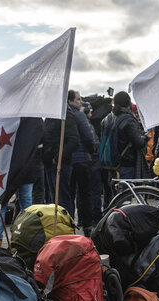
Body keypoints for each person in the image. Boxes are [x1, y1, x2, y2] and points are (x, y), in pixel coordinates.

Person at [66, 90, 99, 232]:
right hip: (82, 158)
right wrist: (92, 150)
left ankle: (69, 225)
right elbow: (88, 136)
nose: (80, 102)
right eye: (78, 99)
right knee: (85, 194)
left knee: (69, 194)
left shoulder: (65, 115)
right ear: (70, 101)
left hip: (68, 160)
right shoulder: (79, 115)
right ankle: (87, 225)